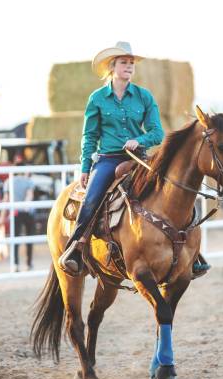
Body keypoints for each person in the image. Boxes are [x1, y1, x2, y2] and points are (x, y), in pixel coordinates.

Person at [59, 41, 165, 276]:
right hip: (108, 159)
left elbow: (158, 133)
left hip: (138, 158)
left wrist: (141, 140)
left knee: (168, 189)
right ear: (112, 66)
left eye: (131, 63)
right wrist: (85, 167)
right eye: (124, 63)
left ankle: (190, 251)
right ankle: (76, 248)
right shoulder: (97, 98)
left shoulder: (144, 96)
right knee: (92, 197)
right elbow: (90, 136)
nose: (129, 66)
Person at [0, 161, 35, 271]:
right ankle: (29, 263)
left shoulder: (8, 182)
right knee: (30, 238)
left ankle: (15, 264)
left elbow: (6, 199)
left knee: (15, 239)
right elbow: (30, 195)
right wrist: (25, 204)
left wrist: (1, 216)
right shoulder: (29, 181)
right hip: (27, 212)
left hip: (15, 213)